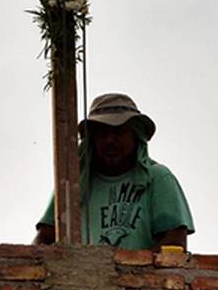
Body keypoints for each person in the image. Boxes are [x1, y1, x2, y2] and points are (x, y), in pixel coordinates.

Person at [34, 93, 194, 250]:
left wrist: (125, 268)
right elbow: (44, 238)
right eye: (102, 132)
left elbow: (175, 241)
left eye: (119, 132)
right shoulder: (73, 184)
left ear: (135, 135)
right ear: (92, 139)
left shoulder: (157, 177)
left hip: (139, 276)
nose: (110, 140)